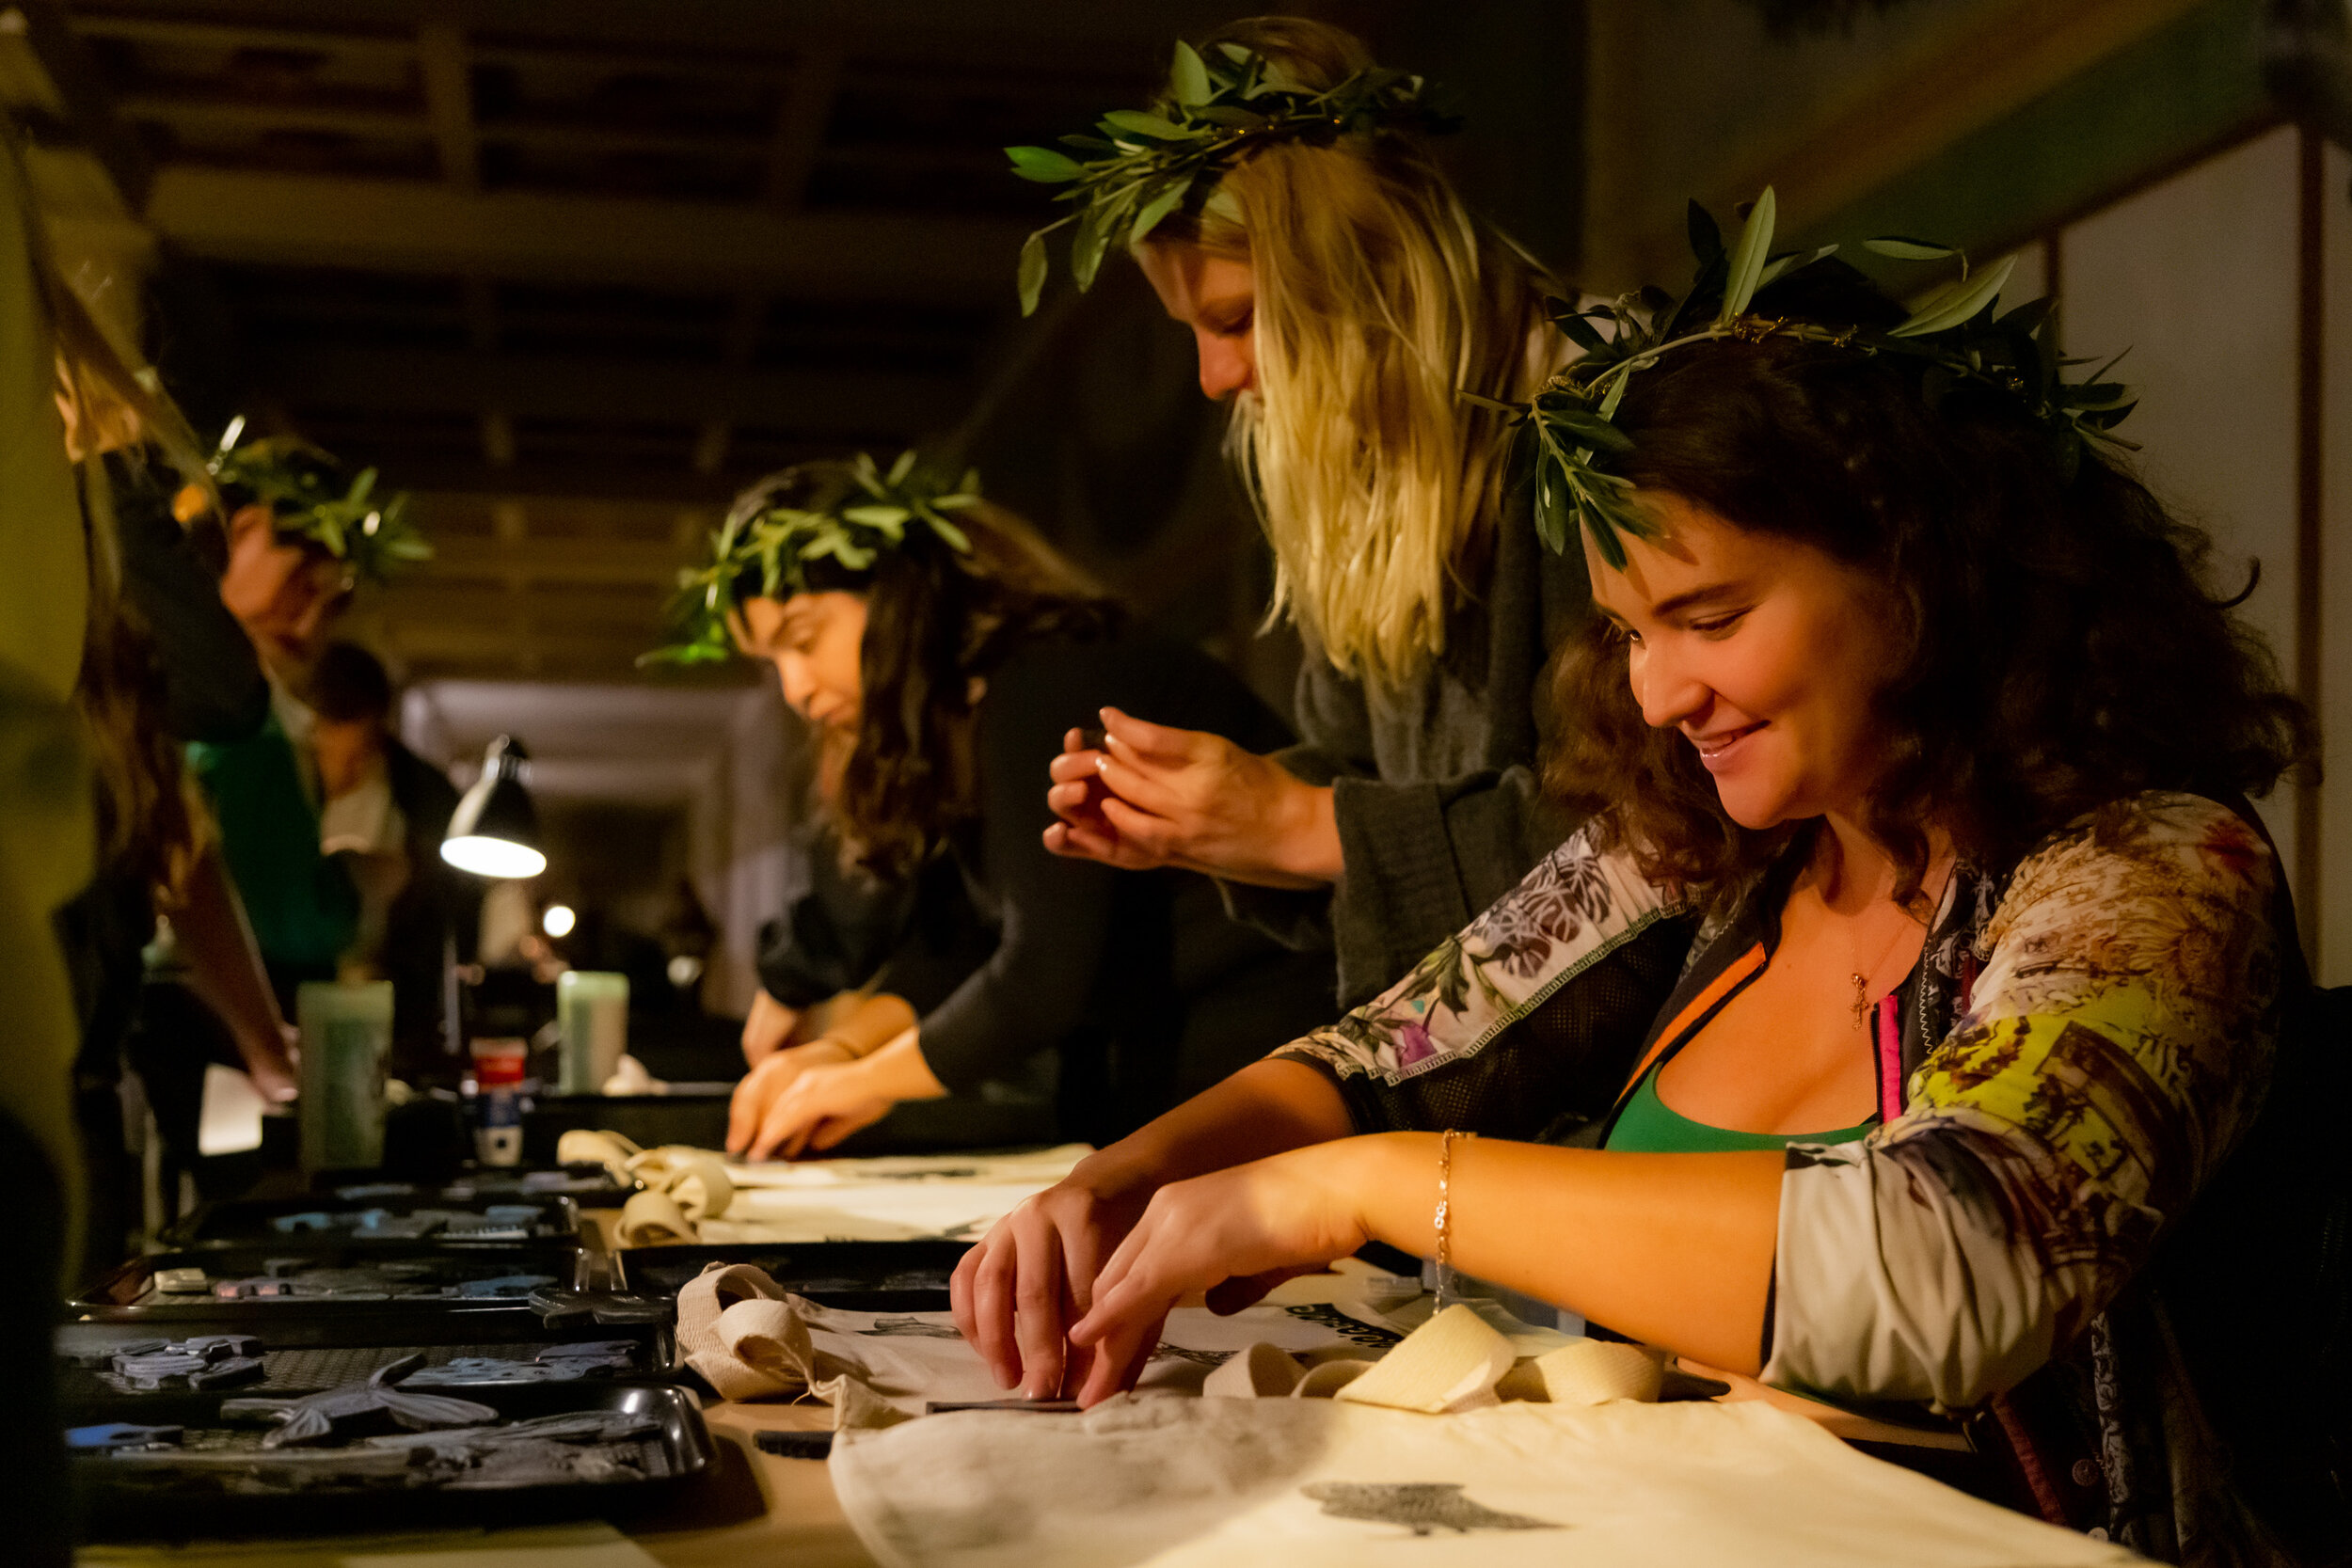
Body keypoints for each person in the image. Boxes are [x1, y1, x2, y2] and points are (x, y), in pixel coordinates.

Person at [953, 220, 2344, 1563]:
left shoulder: (2151, 872)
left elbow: (1957, 1269)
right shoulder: (1709, 847)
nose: (1661, 693)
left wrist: (1357, 1188)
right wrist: (1127, 1178)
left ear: (1928, 568)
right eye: (1628, 631)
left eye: (1713, 617)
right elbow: (1402, 1056)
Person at [1013, 19, 1587, 1009]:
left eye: (1233, 318)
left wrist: (1292, 821)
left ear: (1364, 264)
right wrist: (1203, 816)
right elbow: (1358, 769)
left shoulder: (1599, 421)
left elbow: (1651, 834)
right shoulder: (1350, 485)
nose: (1212, 376)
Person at [683, 455, 1335, 1159]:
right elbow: (957, 945)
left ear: (901, 593)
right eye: (772, 662)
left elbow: (1042, 974)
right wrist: (838, 1053)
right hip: (1161, 1055)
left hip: (1264, 1049)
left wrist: (865, 1083)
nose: (795, 689)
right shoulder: (965, 713)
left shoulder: (1048, 676)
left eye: (803, 641)